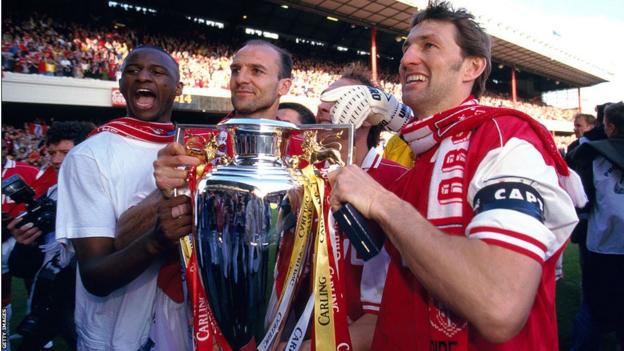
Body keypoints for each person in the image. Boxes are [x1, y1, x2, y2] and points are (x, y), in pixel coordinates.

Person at [327, 2, 581, 350]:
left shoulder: (505, 137)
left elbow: (499, 305)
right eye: (407, 47)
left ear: (473, 67)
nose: (406, 60)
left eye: (429, 45)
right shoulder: (415, 161)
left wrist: (380, 202)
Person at [55, 45, 192, 351]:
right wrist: (156, 239)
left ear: (178, 88)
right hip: (115, 339)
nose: (143, 76)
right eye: (133, 70)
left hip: (184, 333)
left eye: (157, 72)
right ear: (121, 84)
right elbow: (95, 276)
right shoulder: (89, 156)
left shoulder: (196, 153)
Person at [314, 65, 408, 350]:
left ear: (369, 114)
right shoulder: (304, 178)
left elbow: (390, 311)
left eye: (335, 99)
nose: (321, 106)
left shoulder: (399, 180)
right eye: (322, 99)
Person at [6, 121, 95, 351]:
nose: (55, 160)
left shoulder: (110, 194)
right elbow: (22, 269)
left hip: (92, 301)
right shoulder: (51, 194)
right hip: (50, 297)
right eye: (53, 152)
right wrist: (25, 243)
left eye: (65, 153)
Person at [568, 102, 624, 350]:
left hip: (604, 247)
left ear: (610, 127)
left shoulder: (590, 156)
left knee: (593, 310)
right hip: (608, 245)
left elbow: (582, 201)